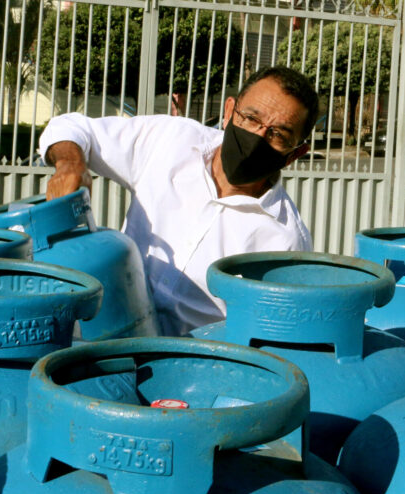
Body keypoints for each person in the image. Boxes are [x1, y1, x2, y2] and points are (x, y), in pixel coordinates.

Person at [40, 66, 318, 335]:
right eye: (251, 118)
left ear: (295, 154)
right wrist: (69, 162)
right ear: (229, 110)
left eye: (278, 134)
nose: (257, 137)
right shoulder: (171, 141)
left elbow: (269, 336)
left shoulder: (285, 241)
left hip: (186, 370)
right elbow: (72, 127)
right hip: (104, 335)